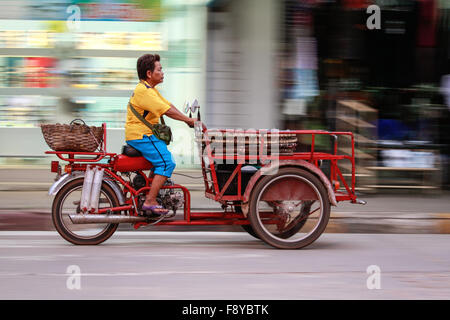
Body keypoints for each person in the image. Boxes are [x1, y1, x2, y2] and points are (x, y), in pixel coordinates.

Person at [125, 54, 204, 216]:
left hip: (142, 135)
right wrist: (189, 120)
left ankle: (148, 191)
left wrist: (188, 120)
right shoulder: (144, 91)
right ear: (149, 73)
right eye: (159, 70)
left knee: (160, 161)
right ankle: (150, 201)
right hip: (143, 136)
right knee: (167, 163)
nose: (162, 72)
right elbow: (167, 111)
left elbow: (168, 105)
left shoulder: (149, 89)